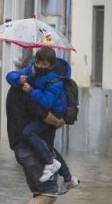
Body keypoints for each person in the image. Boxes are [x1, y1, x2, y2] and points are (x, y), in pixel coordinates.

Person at [6, 47, 79, 186]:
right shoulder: (30, 75)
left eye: (43, 64)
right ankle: (67, 176)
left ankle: (54, 166)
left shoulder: (54, 81)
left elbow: (46, 104)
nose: (39, 67)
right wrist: (18, 79)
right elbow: (10, 75)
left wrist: (32, 91)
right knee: (48, 148)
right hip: (27, 139)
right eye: (37, 63)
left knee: (46, 192)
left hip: (55, 112)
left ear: (51, 66)